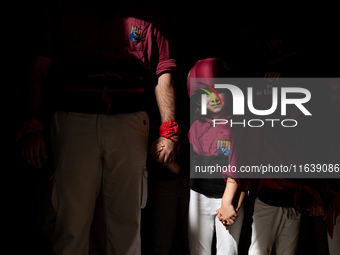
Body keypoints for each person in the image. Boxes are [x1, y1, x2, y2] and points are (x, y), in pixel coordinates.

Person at [17, 1, 179, 254]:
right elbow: (38, 68)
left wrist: (169, 129)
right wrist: (33, 125)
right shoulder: (61, 7)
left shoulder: (148, 10)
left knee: (126, 222)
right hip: (73, 121)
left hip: (130, 123)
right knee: (71, 221)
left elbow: (163, 71)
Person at [173, 58, 249, 255]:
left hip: (227, 200)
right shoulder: (195, 127)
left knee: (228, 252)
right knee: (197, 251)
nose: (213, 98)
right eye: (206, 94)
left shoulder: (238, 126)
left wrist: (228, 203)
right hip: (198, 197)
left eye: (218, 91)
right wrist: (167, 160)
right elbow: (185, 166)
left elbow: (240, 168)